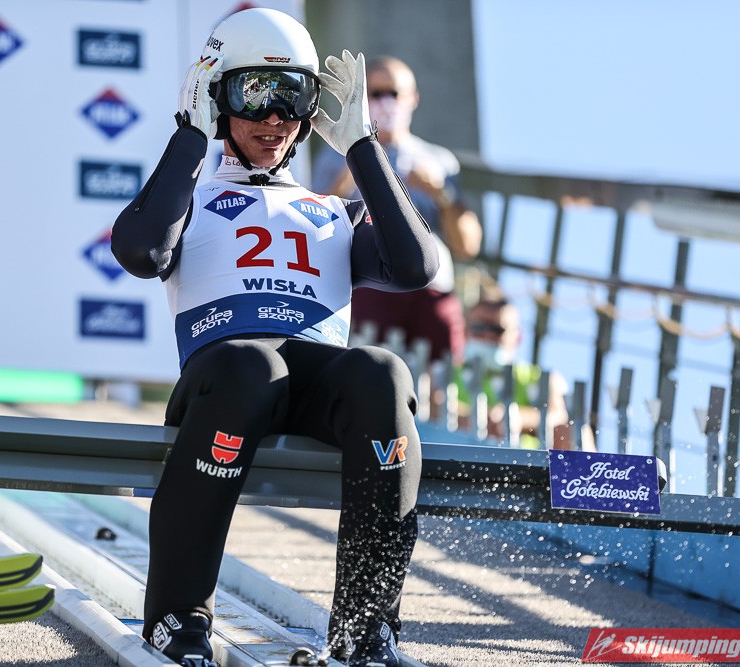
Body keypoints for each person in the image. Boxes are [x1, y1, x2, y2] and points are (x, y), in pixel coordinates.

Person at [111, 9, 438, 667]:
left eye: (292, 96)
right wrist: (190, 135)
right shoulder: (190, 200)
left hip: (313, 380)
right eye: (252, 93)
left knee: (383, 372)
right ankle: (178, 615)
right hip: (227, 378)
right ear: (217, 99)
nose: (274, 117)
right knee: (252, 369)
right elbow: (142, 251)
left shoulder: (333, 211)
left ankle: (365, 629)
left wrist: (362, 147)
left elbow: (416, 265)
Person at [311, 55, 482, 368]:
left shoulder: (438, 159)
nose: (386, 102)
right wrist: (354, 168)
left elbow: (468, 245)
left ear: (413, 98)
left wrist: (440, 194)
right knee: (366, 370)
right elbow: (313, 223)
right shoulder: (335, 153)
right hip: (370, 285)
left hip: (431, 287)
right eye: (376, 94)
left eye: (394, 93)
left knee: (439, 377)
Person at [458, 287, 571, 449]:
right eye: (478, 328)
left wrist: (519, 418)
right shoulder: (443, 374)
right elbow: (432, 403)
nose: (487, 335)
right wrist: (476, 418)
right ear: (464, 331)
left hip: (523, 463)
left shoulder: (541, 379)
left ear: (517, 337)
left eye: (497, 330)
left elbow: (560, 419)